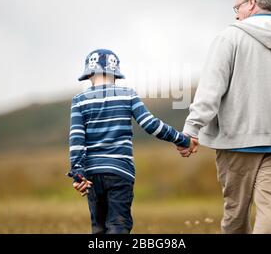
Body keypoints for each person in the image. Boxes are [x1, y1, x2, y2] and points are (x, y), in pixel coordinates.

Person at [181, 0, 271, 234]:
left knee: (235, 211)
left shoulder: (229, 37)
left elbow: (210, 90)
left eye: (237, 6)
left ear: (252, 4)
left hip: (237, 139)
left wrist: (192, 129)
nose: (235, 14)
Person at [68, 48, 198, 234]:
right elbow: (150, 124)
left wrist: (78, 174)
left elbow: (76, 140)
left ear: (89, 74)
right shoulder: (127, 94)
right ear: (116, 74)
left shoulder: (79, 101)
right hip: (120, 172)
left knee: (99, 228)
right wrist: (182, 140)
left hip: (92, 174)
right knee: (118, 226)